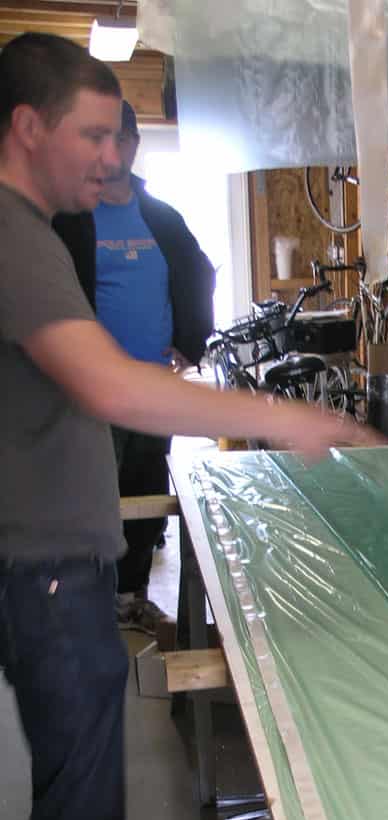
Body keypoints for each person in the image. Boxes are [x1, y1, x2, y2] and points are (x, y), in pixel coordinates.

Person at [0, 33, 382, 820]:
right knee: (84, 803)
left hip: (47, 558)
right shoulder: (13, 231)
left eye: (117, 138)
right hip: (41, 569)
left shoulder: (39, 228)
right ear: (26, 127)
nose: (111, 156)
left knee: (82, 798)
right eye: (91, 134)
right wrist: (282, 416)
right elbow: (106, 382)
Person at [54, 100, 216, 635]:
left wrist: (190, 342)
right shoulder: (71, 218)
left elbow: (199, 273)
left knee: (144, 498)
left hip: (152, 386)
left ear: (133, 144)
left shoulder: (161, 216)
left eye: (123, 138)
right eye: (101, 138)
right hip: (93, 391)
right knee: (93, 500)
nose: (114, 149)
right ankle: (88, 604)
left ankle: (130, 598)